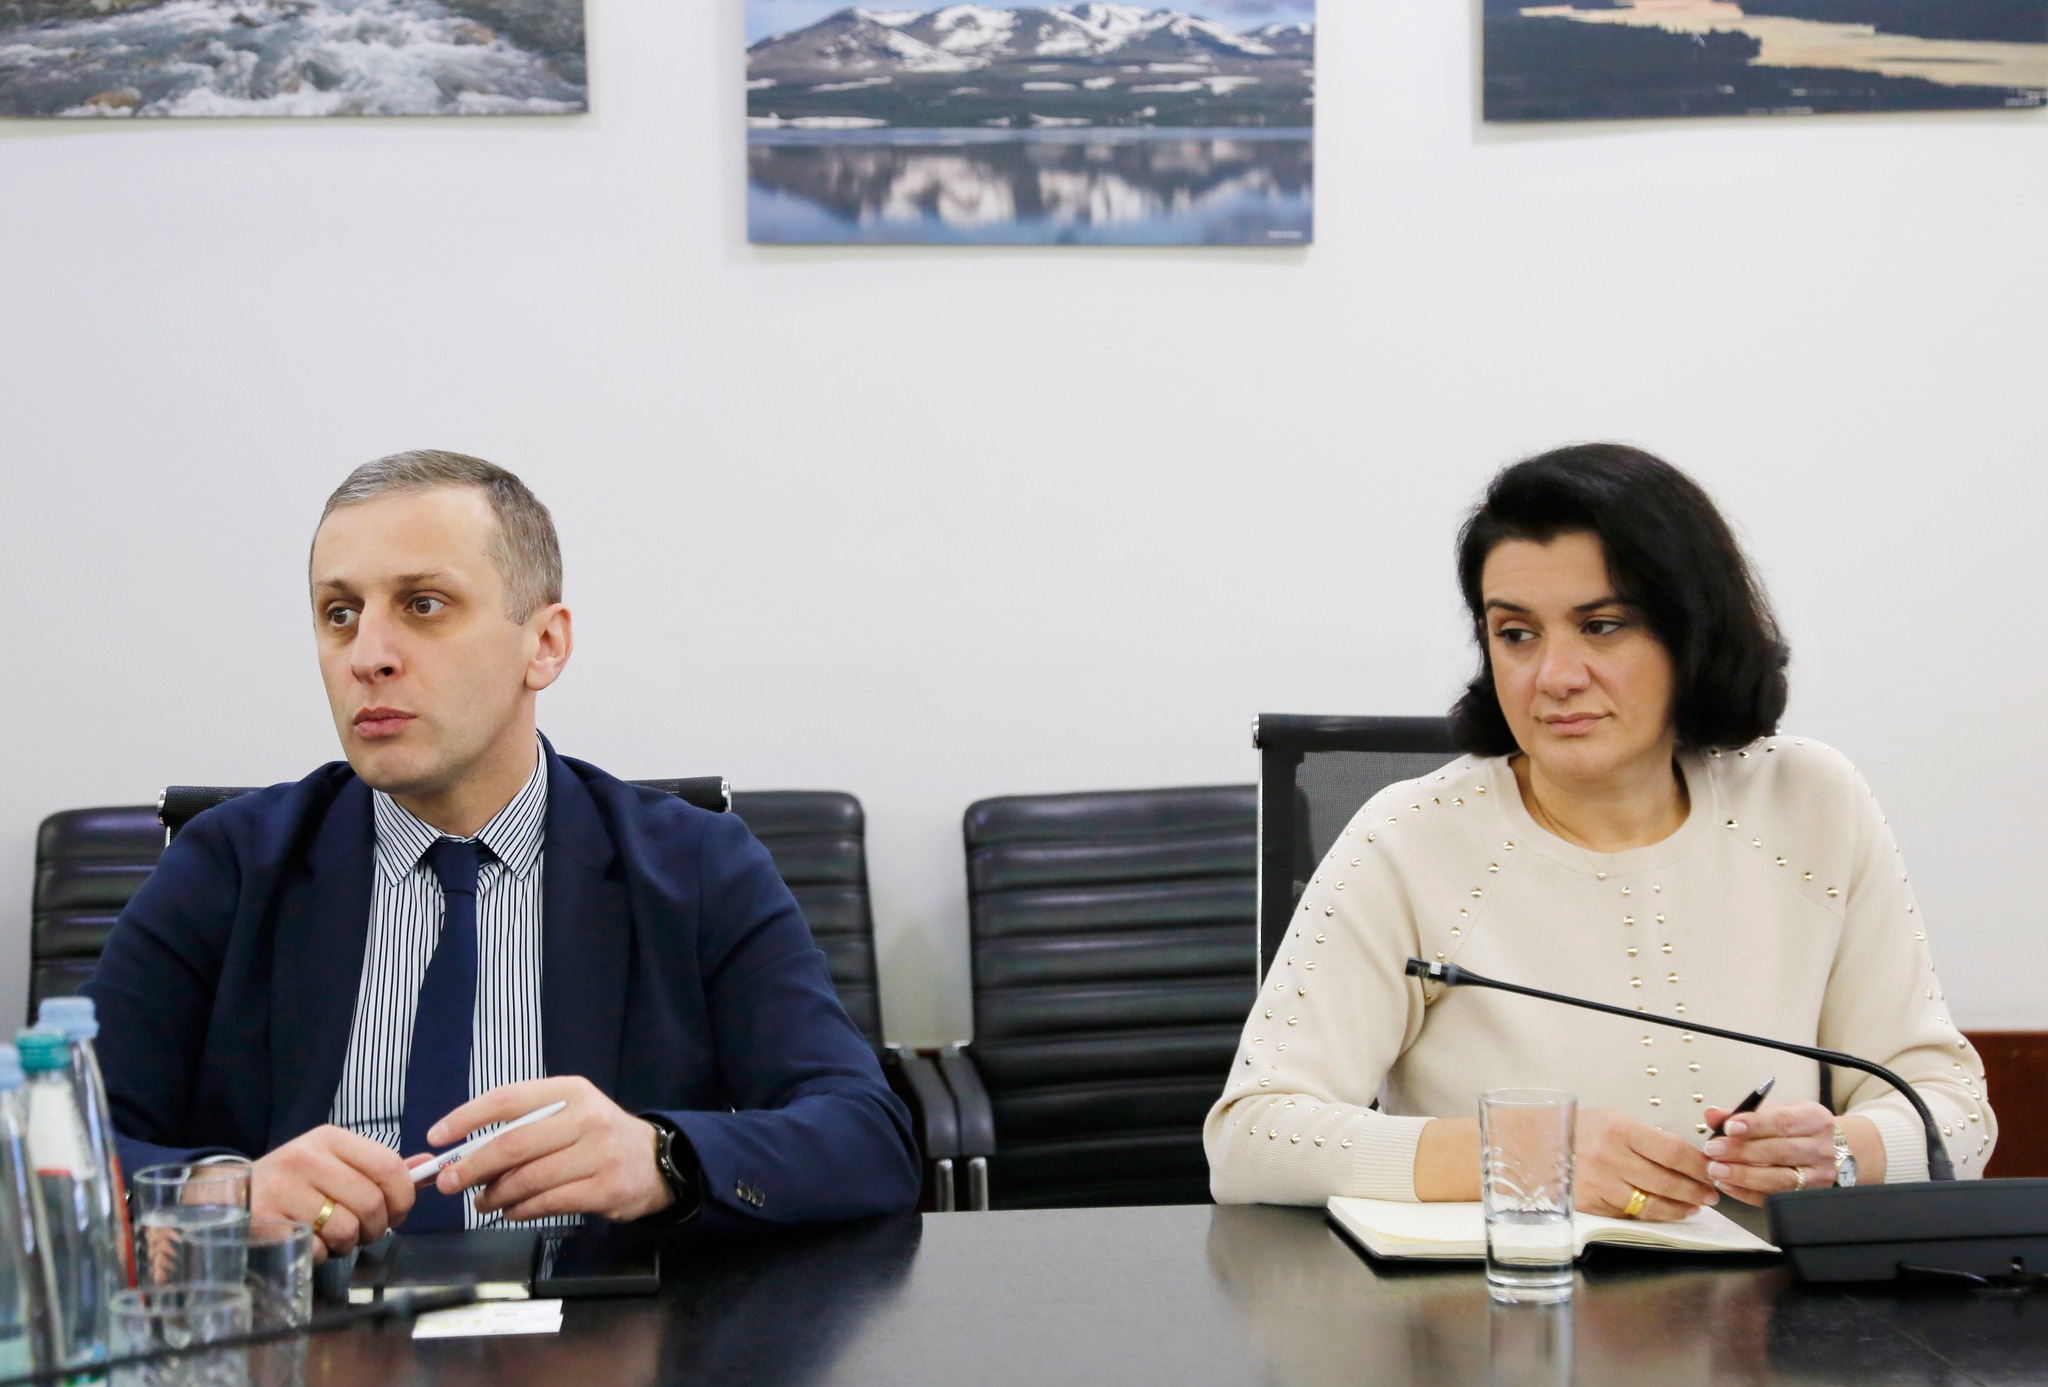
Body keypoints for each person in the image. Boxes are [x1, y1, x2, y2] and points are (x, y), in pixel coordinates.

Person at [85, 450, 921, 1253]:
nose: (368, 656)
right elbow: (56, 1145)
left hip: (602, 1325)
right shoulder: (228, 867)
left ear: (544, 644)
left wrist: (662, 1158)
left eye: (423, 605)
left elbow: (868, 1136)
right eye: (340, 614)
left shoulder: (694, 866)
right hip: (311, 1322)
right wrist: (219, 1192)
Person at [1205, 443, 1996, 1220]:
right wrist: (1523, 1151)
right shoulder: (1406, 839)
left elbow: (1957, 1116)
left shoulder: (1811, 800)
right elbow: (1251, 1138)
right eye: (1517, 634)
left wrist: (1844, 1152)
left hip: (1767, 1298)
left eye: (1603, 625)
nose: (1555, 676)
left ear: (1692, 632)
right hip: (1508, 1295)